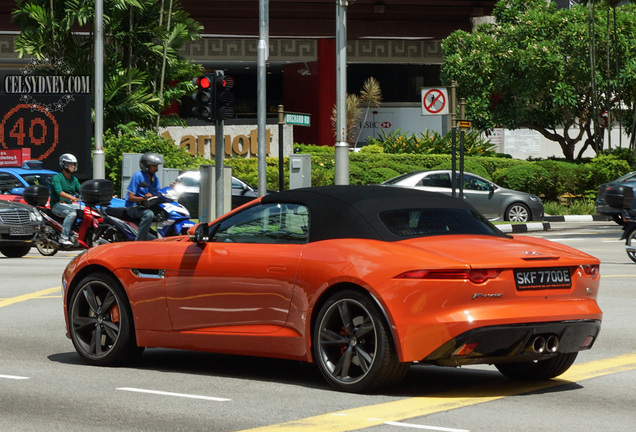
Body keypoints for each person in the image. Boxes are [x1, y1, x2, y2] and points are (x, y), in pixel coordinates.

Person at [125, 152, 163, 241]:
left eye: (157, 166)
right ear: (146, 166)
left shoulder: (154, 178)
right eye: (153, 166)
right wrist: (143, 198)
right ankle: (140, 241)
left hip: (147, 206)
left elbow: (157, 193)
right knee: (148, 214)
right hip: (133, 207)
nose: (156, 168)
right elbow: (130, 197)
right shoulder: (138, 176)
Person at [50, 153, 81, 246]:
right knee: (72, 213)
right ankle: (64, 237)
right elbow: (60, 192)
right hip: (57, 205)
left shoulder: (74, 179)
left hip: (69, 204)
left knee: (87, 211)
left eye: (74, 164)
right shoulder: (57, 178)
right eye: (71, 164)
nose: (73, 166)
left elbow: (81, 190)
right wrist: (73, 197)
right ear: (64, 164)